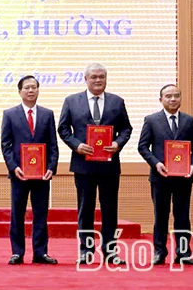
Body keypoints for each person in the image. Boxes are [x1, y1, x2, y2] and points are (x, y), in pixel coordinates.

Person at [58, 63, 132, 265]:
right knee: (85, 209)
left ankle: (110, 251)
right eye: (94, 77)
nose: (98, 80)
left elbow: (126, 129)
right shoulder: (72, 101)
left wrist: (117, 143)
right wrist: (76, 145)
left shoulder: (117, 102)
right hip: (83, 165)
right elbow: (63, 129)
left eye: (102, 76)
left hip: (109, 165)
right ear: (86, 79)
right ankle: (86, 250)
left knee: (110, 209)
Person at [137, 84, 193, 265]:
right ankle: (159, 252)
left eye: (176, 96)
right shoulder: (151, 120)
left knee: (182, 215)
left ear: (180, 98)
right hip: (160, 177)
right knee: (161, 215)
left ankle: (183, 253)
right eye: (168, 96)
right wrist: (156, 163)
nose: (173, 99)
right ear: (161, 100)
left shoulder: (189, 121)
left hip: (184, 177)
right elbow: (142, 147)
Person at [0, 75, 58, 265]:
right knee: (17, 213)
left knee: (41, 214)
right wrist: (13, 167)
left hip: (42, 174)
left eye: (34, 87)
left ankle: (40, 252)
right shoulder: (9, 114)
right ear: (20, 91)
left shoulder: (47, 114)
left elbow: (52, 145)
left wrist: (51, 168)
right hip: (19, 174)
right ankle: (17, 252)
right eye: (27, 88)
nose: (31, 91)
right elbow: (6, 145)